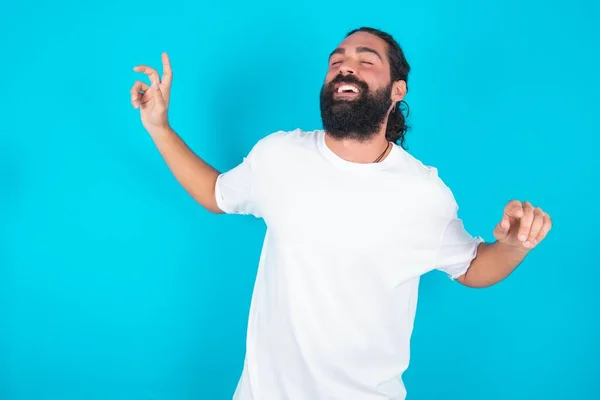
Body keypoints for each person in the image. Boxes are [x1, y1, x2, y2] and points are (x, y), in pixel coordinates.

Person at [130, 27, 552, 400]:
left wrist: (515, 245)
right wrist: (159, 126)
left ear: (397, 90)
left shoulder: (424, 195)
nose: (345, 67)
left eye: (365, 61)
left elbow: (473, 267)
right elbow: (215, 193)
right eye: (337, 61)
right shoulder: (279, 155)